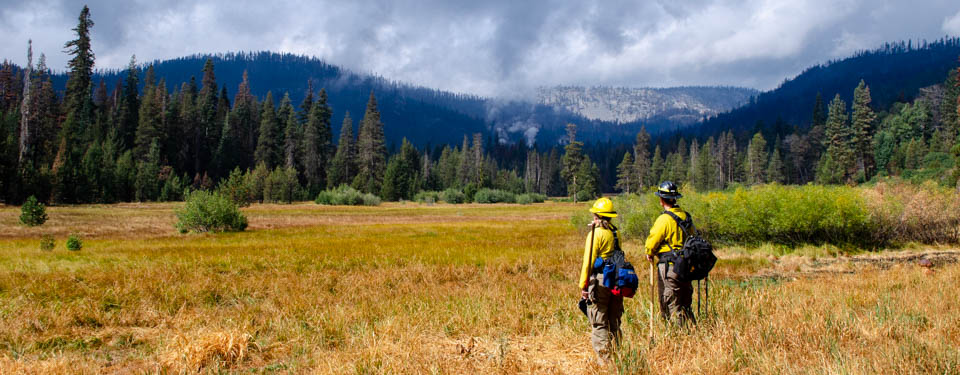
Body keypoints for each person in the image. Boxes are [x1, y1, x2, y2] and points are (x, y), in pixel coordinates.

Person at [578, 197, 623, 364]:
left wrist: (583, 286)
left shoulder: (595, 234)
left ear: (597, 215)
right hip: (616, 280)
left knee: (599, 321)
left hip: (600, 281)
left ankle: (605, 362)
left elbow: (588, 262)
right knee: (614, 321)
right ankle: (619, 357)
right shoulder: (615, 232)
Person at [645, 181, 696, 325]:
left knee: (671, 302)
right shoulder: (686, 217)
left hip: (669, 267)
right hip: (686, 266)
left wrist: (649, 252)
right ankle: (692, 333)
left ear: (661, 200)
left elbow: (651, 243)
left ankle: (677, 338)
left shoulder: (664, 219)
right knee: (685, 302)